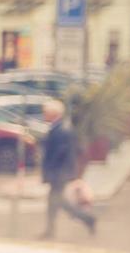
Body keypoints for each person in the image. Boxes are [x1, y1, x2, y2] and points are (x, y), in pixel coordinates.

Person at [38, 100, 95, 238]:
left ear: (53, 114)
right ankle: (51, 229)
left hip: (59, 174)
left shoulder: (62, 130)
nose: (43, 115)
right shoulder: (60, 128)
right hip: (60, 173)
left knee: (58, 202)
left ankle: (87, 219)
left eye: (45, 112)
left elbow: (59, 154)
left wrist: (50, 172)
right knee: (57, 202)